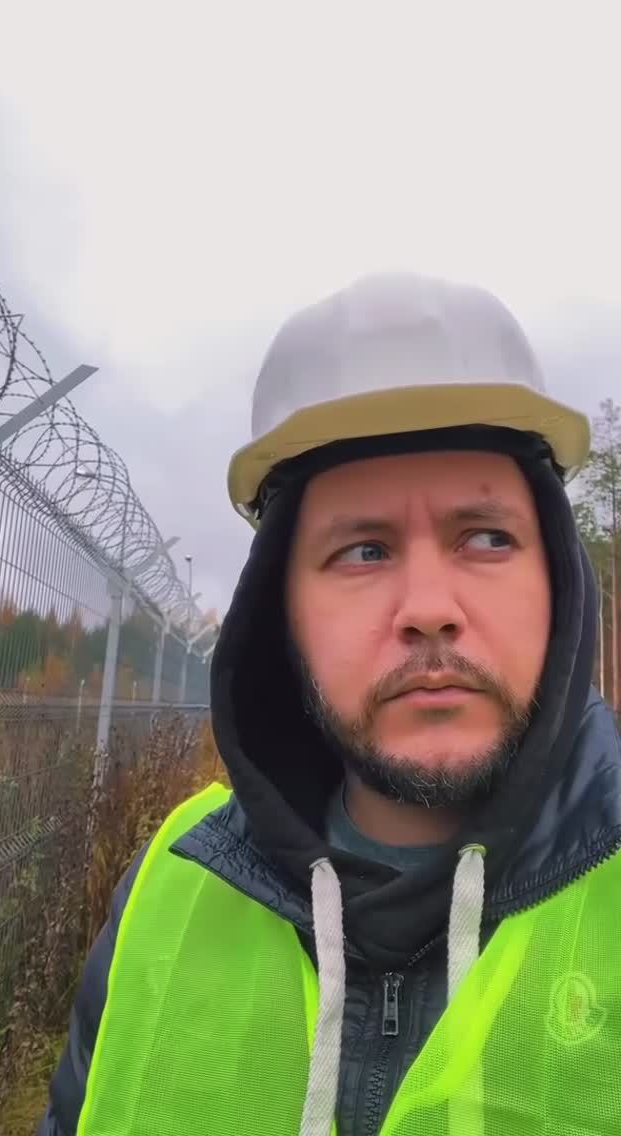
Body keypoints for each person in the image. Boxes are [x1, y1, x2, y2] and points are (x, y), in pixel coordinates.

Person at [39, 272, 621, 1136]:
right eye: (363, 551)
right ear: (283, 611)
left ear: (559, 585)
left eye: (487, 537)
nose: (430, 607)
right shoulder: (171, 894)